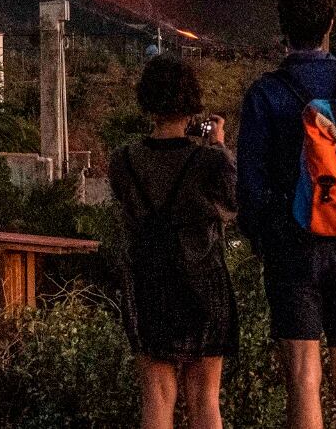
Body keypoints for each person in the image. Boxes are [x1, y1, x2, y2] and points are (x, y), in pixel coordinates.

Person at [237, 0, 336, 429]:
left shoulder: (266, 94)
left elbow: (250, 188)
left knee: (303, 375)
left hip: (292, 245)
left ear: (282, 30)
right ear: (331, 25)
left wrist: (266, 239)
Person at [110, 54, 238, 429]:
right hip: (204, 284)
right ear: (191, 104)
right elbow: (234, 200)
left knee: (157, 396)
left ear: (147, 102)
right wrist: (217, 146)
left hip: (149, 284)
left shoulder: (124, 161)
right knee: (205, 401)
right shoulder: (207, 160)